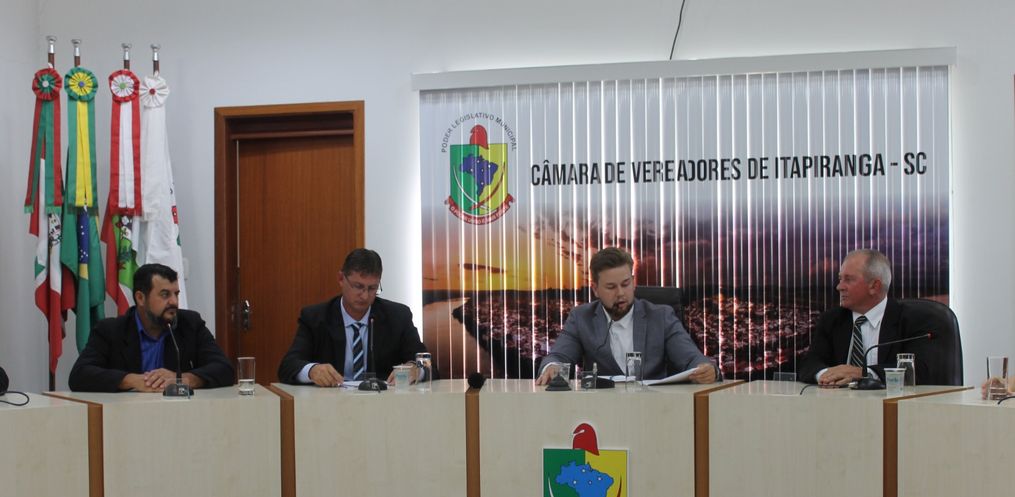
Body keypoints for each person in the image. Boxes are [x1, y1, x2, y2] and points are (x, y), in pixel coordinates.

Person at [535, 247, 717, 386]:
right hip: (601, 410)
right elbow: (559, 355)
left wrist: (706, 370)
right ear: (595, 289)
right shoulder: (581, 317)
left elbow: (691, 358)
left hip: (655, 408)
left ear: (633, 282)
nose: (620, 293)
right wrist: (552, 367)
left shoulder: (661, 316)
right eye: (611, 287)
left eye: (625, 284)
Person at [277, 248, 434, 387]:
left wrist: (415, 369)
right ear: (341, 279)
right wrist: (312, 370)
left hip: (383, 404)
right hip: (331, 403)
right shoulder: (315, 318)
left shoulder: (398, 316)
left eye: (372, 288)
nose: (365, 296)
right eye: (358, 286)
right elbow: (288, 366)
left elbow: (427, 365)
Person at [69, 264, 234, 392]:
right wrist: (132, 380)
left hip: (179, 414)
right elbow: (79, 375)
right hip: (126, 416)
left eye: (176, 294)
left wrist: (184, 379)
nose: (174, 302)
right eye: (165, 294)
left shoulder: (190, 324)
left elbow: (224, 369)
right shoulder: (111, 330)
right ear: (140, 298)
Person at [798, 249, 939, 386]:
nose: (839, 287)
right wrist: (826, 375)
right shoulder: (832, 319)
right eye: (840, 279)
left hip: (893, 399)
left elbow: (921, 370)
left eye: (848, 279)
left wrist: (864, 374)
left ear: (874, 286)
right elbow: (809, 364)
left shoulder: (914, 320)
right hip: (840, 400)